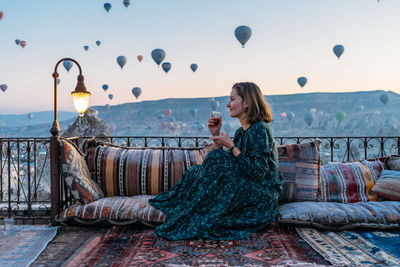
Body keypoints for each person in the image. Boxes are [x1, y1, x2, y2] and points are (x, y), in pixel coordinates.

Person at [149, 82, 283, 240]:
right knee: (194, 172)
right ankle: (189, 211)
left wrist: (231, 145)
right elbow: (228, 167)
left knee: (215, 157)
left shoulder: (261, 129)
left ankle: (192, 213)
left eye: (232, 99)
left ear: (247, 102)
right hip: (245, 187)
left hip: (261, 197)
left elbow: (257, 173)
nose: (228, 104)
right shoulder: (241, 132)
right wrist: (217, 138)